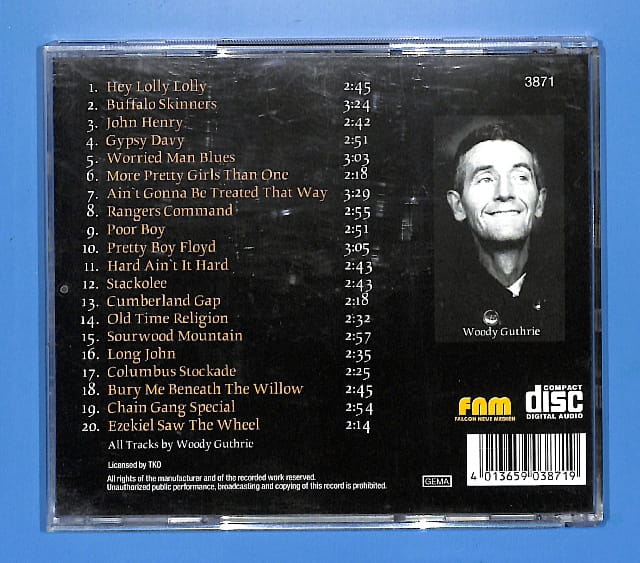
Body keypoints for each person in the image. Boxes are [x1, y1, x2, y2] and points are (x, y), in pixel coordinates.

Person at [435, 121, 563, 341]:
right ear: (458, 206)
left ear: (540, 203)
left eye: (520, 177)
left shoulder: (570, 297)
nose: (504, 192)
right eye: (485, 178)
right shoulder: (439, 310)